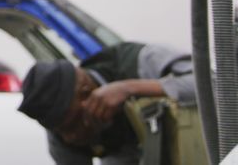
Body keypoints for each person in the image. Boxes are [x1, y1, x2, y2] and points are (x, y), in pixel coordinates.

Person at [18, 41, 196, 164]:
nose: (69, 137)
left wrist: (132, 88)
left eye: (72, 125)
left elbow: (214, 84)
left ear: (86, 93)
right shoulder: (60, 127)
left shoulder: (142, 61)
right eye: (60, 130)